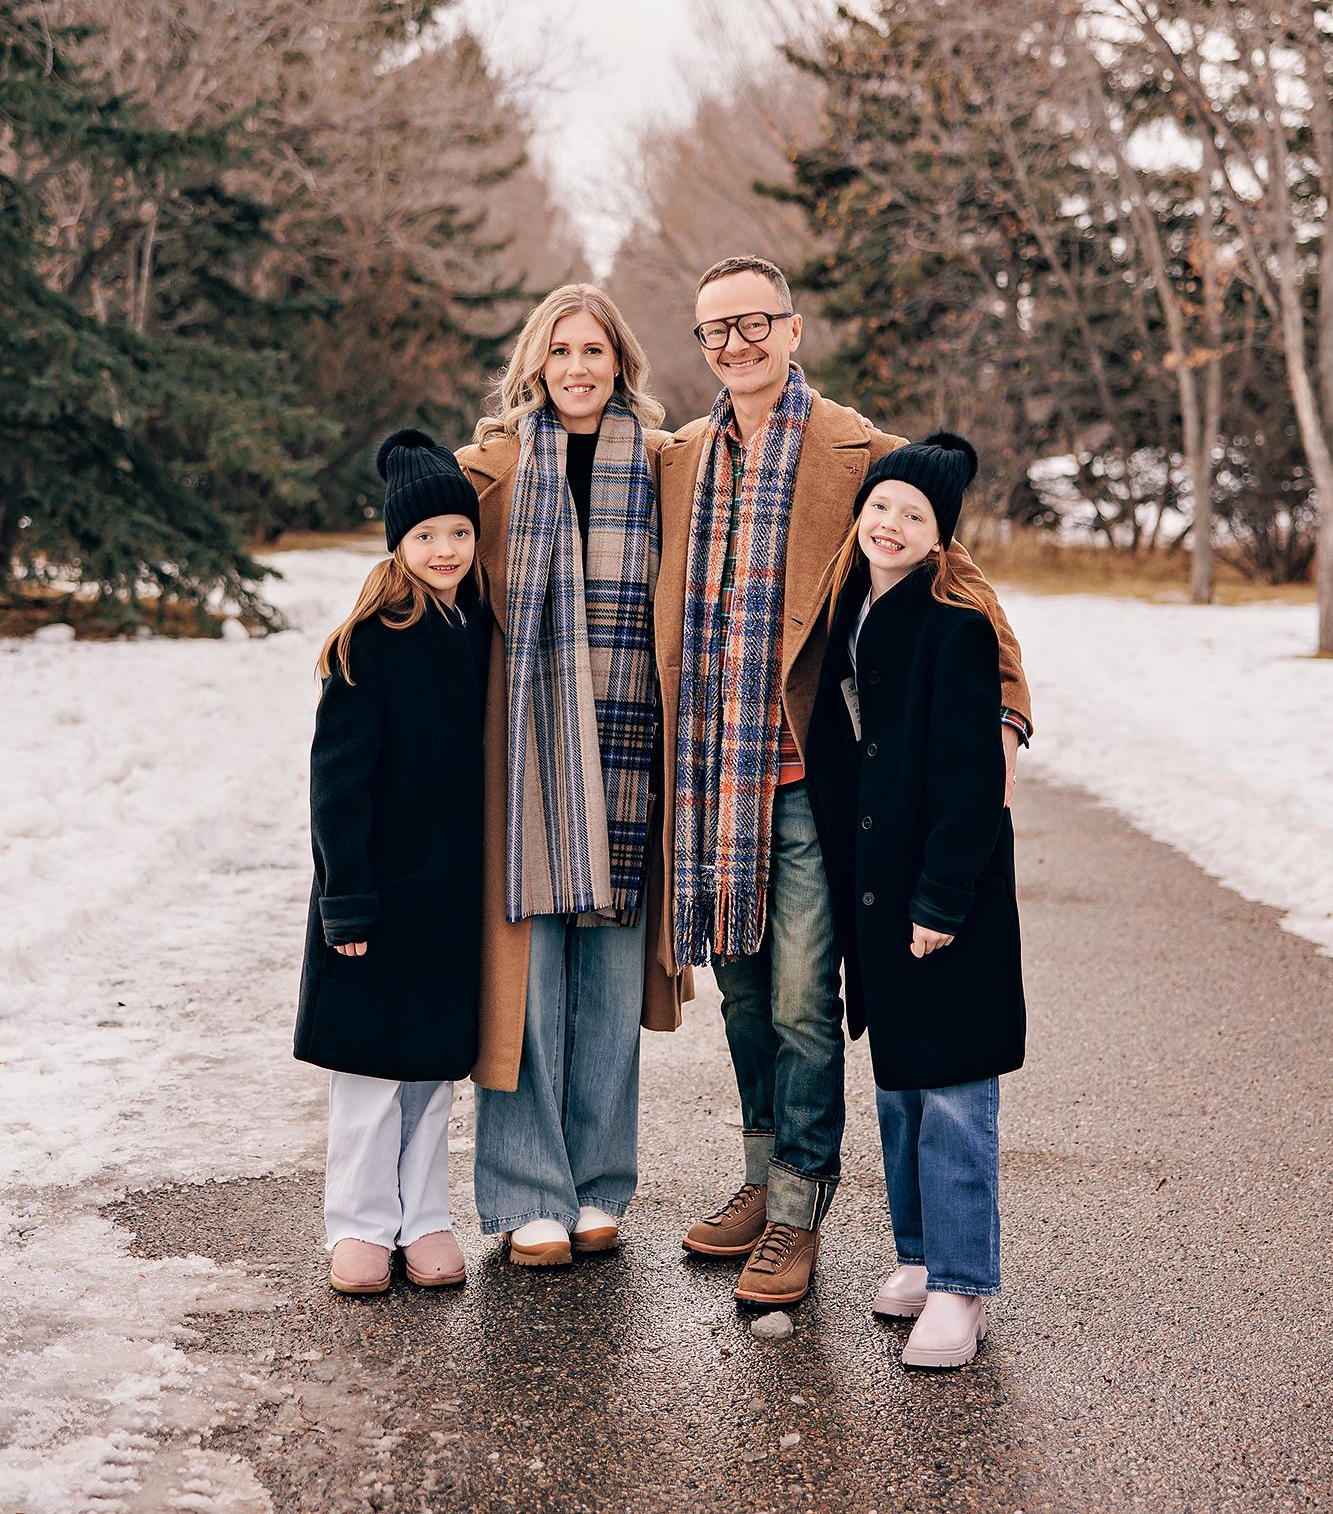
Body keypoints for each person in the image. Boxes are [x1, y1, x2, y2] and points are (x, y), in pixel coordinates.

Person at [654, 255, 1032, 1309]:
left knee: (801, 1004)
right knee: (739, 1000)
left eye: (753, 322)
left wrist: (1006, 705)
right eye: (714, 329)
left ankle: (797, 1206)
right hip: (709, 783)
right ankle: (759, 1167)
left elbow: (962, 581)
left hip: (810, 781)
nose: (735, 343)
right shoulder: (679, 456)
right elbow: (559, 440)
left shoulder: (854, 446)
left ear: (792, 327)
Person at [457, 287, 689, 1268]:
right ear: (536, 365)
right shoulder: (490, 467)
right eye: (562, 352)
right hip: (529, 757)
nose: (579, 367)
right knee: (529, 980)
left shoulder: (669, 463)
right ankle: (525, 1192)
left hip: (633, 748)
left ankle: (597, 1184)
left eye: (594, 348)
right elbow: (417, 558)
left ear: (620, 359)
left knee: (606, 986)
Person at [804, 432, 1026, 1368]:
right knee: (898, 1086)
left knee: (953, 1092)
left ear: (942, 540)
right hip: (877, 892)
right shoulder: (852, 612)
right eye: (881, 506)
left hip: (945, 900)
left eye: (914, 515)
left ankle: (963, 1286)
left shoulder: (954, 626)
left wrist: (940, 898)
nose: (889, 524)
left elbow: (971, 783)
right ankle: (917, 1255)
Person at [293, 429, 487, 1296]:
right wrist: (348, 902)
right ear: (398, 545)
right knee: (372, 1070)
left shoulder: (480, 628)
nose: (444, 550)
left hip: (450, 895)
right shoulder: (366, 644)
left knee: (433, 1070)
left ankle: (426, 1218)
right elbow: (337, 788)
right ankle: (360, 1224)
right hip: (376, 891)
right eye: (425, 537)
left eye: (458, 532)